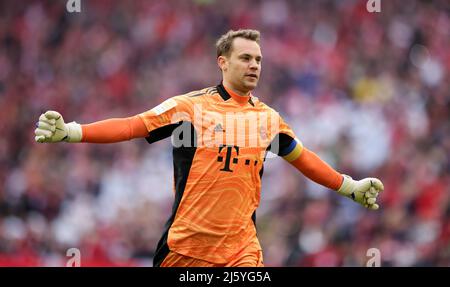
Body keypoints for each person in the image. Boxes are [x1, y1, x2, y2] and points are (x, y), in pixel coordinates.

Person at [34, 29, 384, 267]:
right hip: (186, 249)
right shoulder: (190, 108)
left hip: (241, 250)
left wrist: (349, 186)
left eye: (258, 60)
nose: (254, 66)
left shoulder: (267, 119)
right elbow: (132, 126)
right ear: (223, 62)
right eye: (246, 58)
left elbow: (302, 158)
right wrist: (71, 131)